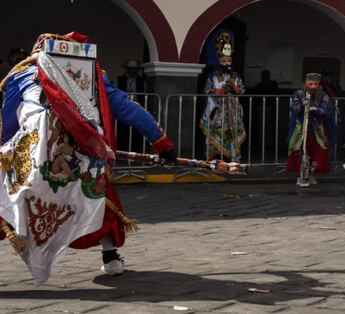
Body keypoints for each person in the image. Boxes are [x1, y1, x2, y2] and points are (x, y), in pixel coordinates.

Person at [0, 32, 175, 283]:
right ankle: (110, 257)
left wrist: (6, 147)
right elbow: (129, 110)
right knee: (97, 196)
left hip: (34, 147)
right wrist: (162, 143)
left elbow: (8, 120)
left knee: (6, 191)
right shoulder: (92, 76)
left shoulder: (22, 74)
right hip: (81, 148)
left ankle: (110, 256)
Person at [199, 33, 246, 161]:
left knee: (233, 136)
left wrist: (233, 87)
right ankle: (212, 160)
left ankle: (234, 161)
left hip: (233, 113)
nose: (227, 63)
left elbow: (242, 90)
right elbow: (207, 90)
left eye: (229, 61)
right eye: (224, 61)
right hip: (217, 112)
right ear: (219, 61)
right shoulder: (212, 76)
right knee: (213, 137)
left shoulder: (235, 76)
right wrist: (220, 91)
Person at [287, 73, 336, 187]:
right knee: (298, 150)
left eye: (316, 84)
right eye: (311, 83)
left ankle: (311, 174)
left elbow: (327, 109)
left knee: (318, 152)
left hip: (317, 128)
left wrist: (317, 110)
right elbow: (293, 108)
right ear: (306, 84)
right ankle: (301, 175)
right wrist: (301, 105)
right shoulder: (299, 94)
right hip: (301, 127)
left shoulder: (323, 95)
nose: (313, 86)